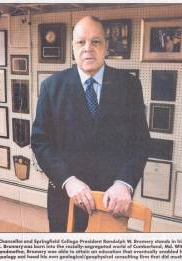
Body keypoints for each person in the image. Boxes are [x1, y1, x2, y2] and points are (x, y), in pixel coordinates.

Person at [31, 16, 150, 232]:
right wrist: (68, 180)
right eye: (81, 42)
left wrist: (124, 183)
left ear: (106, 46)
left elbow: (140, 144)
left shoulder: (129, 86)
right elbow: (41, 143)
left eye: (95, 42)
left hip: (113, 199)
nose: (88, 48)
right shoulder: (51, 87)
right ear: (73, 47)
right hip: (65, 196)